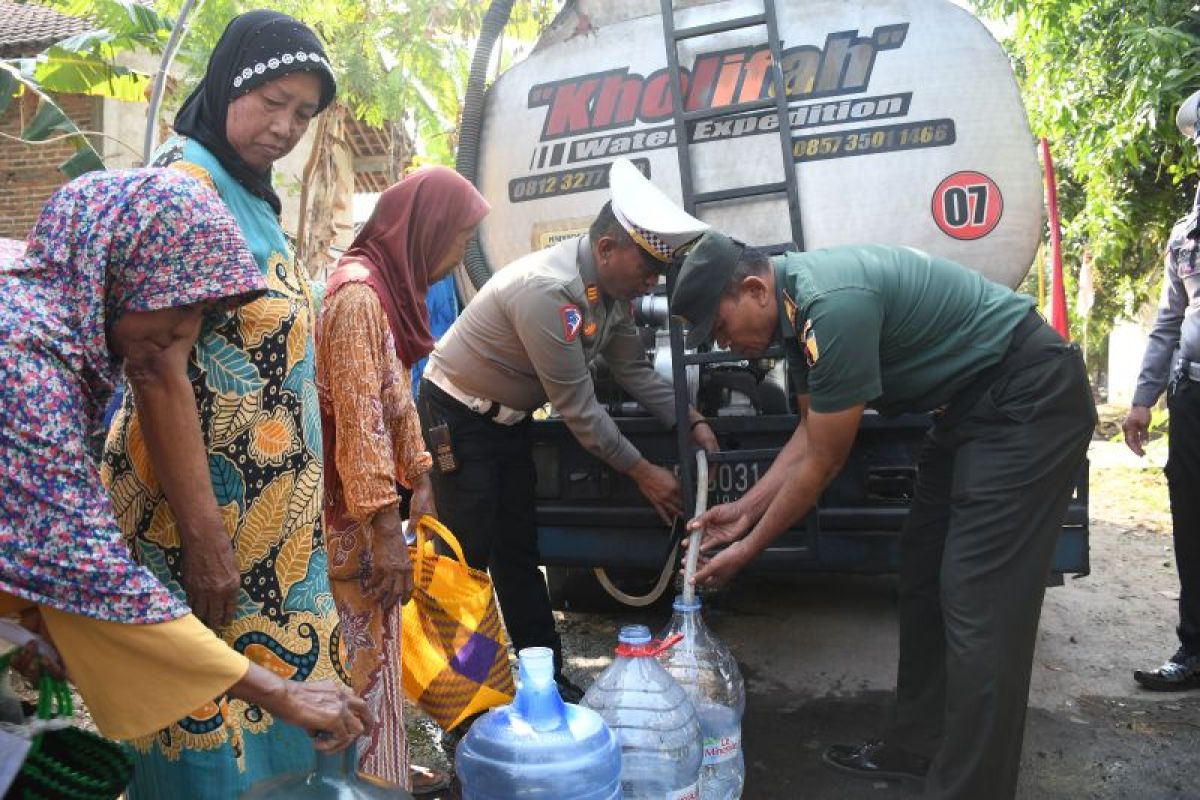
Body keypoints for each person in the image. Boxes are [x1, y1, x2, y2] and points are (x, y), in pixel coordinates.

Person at [671, 233, 1096, 799]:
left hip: (1027, 400)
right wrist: (741, 512)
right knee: (921, 574)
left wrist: (747, 550)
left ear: (754, 289)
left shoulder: (831, 304)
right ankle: (916, 748)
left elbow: (824, 462)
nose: (724, 344)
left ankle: (971, 789)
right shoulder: (795, 319)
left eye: (720, 328)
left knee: (979, 605)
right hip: (969, 410)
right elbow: (807, 434)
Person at [0, 168, 370, 752]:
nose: (184, 333)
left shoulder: (36, 293)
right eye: (179, 310)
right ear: (116, 271)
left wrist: (26, 618)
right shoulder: (23, 359)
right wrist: (280, 693)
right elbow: (90, 570)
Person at [100, 11, 345, 797]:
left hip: (275, 537)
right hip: (197, 525)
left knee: (290, 720)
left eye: (303, 114)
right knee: (207, 722)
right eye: (272, 100)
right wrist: (206, 537)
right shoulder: (184, 188)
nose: (285, 127)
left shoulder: (249, 197)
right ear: (228, 84)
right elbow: (155, 368)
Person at [417, 158, 718, 702]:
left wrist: (689, 418)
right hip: (457, 417)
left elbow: (635, 373)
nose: (652, 281)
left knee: (519, 552)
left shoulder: (610, 297)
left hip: (506, 423)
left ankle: (543, 681)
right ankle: (465, 695)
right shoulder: (549, 291)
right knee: (468, 560)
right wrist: (645, 473)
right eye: (647, 267)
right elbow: (580, 411)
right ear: (606, 250)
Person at [316, 166, 489, 792]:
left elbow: (396, 404)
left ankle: (381, 767)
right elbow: (361, 425)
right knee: (357, 659)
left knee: (381, 649)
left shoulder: (384, 291)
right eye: (459, 235)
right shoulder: (359, 297)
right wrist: (387, 530)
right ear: (426, 227)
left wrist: (421, 479)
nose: (461, 252)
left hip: (372, 515)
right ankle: (361, 779)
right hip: (353, 523)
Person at [1121, 88, 1200, 692]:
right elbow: (1169, 322)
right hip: (1192, 396)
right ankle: (1194, 649)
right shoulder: (1185, 234)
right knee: (1192, 522)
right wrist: (1144, 398)